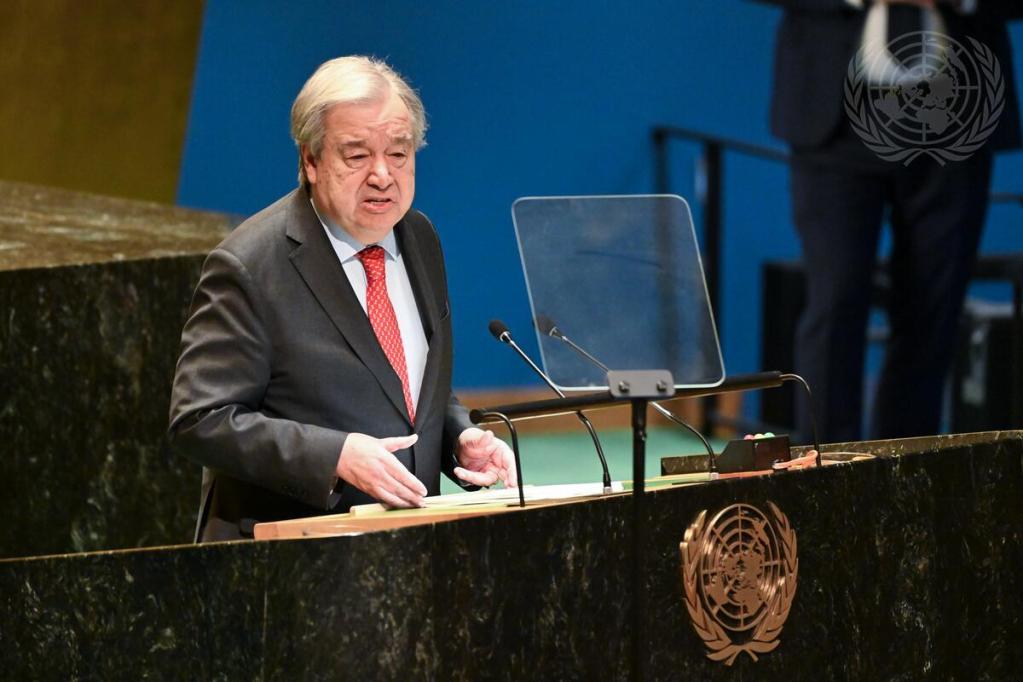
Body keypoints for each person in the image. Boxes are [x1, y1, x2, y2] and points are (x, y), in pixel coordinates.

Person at [169, 56, 516, 542]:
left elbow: (404, 384)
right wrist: (334, 456)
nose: (382, 175)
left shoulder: (418, 236)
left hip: (403, 546)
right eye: (356, 156)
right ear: (310, 161)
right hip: (284, 557)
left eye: (399, 154)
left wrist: (458, 439)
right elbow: (201, 419)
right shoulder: (249, 266)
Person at [758, 0, 1022, 442]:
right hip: (833, 118)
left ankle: (904, 487)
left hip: (958, 112)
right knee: (835, 303)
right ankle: (826, 484)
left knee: (932, 315)